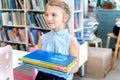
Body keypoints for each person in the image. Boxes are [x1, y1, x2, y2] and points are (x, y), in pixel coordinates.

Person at [35, 0, 79, 80]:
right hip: (42, 77)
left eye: (53, 15)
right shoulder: (42, 38)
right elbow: (39, 61)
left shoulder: (71, 41)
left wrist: (59, 68)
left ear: (65, 18)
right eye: (46, 15)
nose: (49, 18)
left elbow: (75, 68)